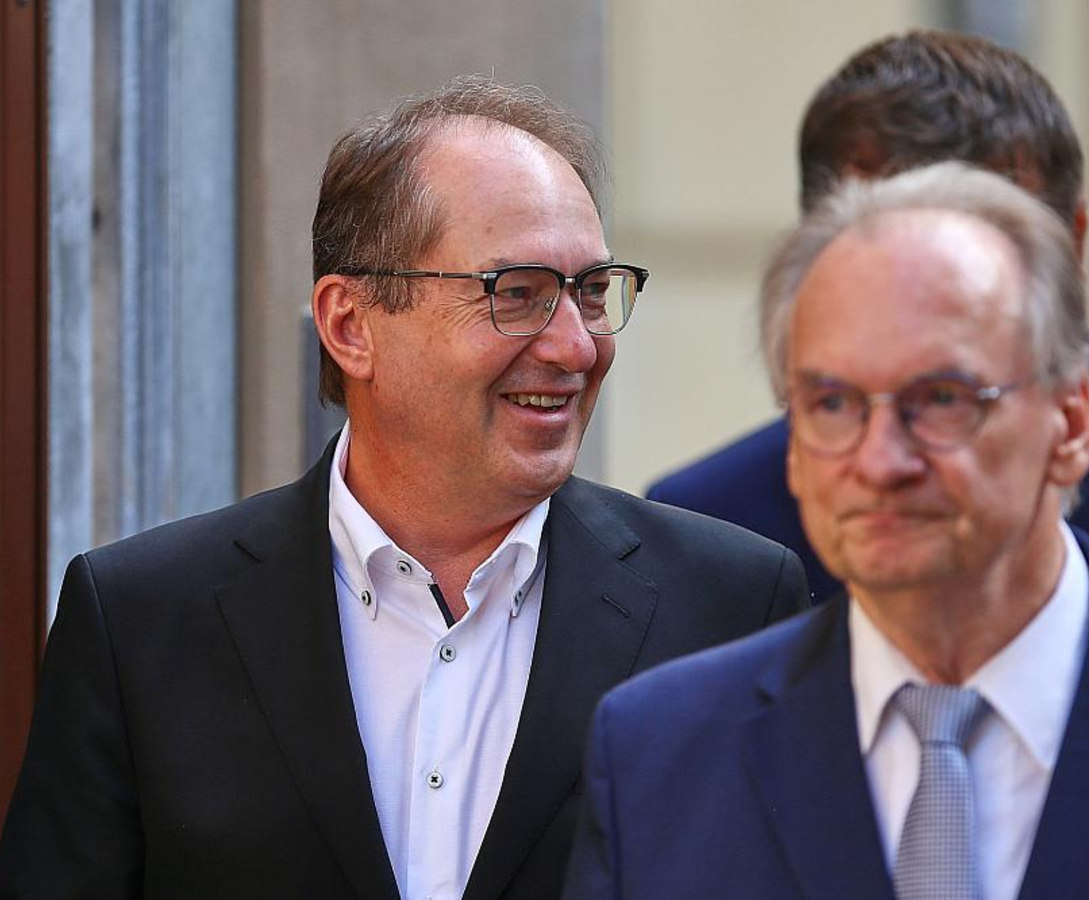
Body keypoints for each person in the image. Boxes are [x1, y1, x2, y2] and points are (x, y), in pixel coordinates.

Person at [0, 77, 805, 899]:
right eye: (517, 293)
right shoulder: (139, 621)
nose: (576, 347)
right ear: (350, 325)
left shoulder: (731, 605)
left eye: (592, 293)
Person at [565, 162, 1089, 900]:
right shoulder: (661, 755)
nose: (880, 462)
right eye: (833, 403)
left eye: (942, 398)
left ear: (1072, 422)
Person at [647, 30, 1089, 603]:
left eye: (987, 248)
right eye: (882, 244)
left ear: (1074, 244)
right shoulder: (709, 528)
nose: (884, 461)